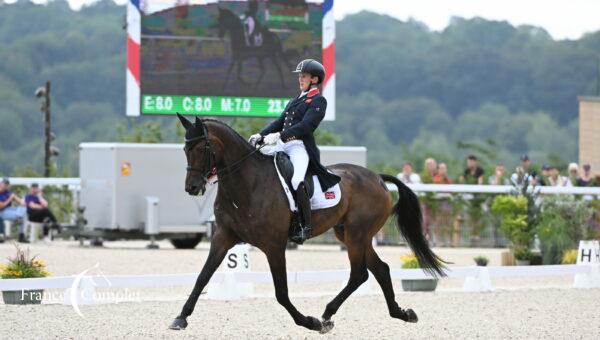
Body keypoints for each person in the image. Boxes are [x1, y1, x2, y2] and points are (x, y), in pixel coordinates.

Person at [248, 59, 341, 244]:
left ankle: (304, 226)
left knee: (297, 179)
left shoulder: (318, 101)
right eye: (299, 76)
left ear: (314, 79)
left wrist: (279, 136)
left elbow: (306, 126)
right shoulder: (294, 101)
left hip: (299, 146)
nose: (300, 79)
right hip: (282, 144)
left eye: (304, 76)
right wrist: (261, 134)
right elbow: (279, 122)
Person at [0, 178, 27, 242]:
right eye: (4, 184)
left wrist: (16, 197)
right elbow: (1, 205)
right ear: (0, 184)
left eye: (7, 184)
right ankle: (21, 235)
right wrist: (10, 198)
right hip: (2, 211)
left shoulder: (8, 192)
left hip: (10, 210)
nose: (5, 186)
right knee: (23, 216)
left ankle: (18, 217)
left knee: (24, 209)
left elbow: (23, 204)